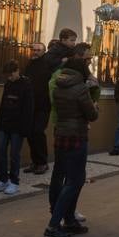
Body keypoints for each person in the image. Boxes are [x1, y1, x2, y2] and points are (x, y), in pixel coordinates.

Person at [43, 56, 98, 237]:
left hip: (61, 135)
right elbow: (92, 114)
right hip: (76, 136)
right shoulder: (81, 89)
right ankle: (53, 225)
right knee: (75, 180)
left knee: (62, 174)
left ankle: (69, 220)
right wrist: (93, 99)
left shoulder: (58, 86)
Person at [24, 31, 74, 176]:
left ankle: (42, 163)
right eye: (33, 49)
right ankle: (35, 162)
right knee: (30, 133)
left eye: (38, 50)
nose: (35, 52)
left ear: (44, 52)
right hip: (30, 105)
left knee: (38, 132)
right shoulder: (29, 64)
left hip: (43, 104)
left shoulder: (47, 64)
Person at [0, 59, 33, 195]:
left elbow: (28, 109)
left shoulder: (26, 85)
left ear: (17, 71)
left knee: (14, 154)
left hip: (18, 126)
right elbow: (3, 105)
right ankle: (3, 180)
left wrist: (25, 128)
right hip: (5, 124)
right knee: (1, 151)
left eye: (11, 74)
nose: (9, 78)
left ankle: (14, 182)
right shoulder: (8, 84)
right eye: (7, 76)